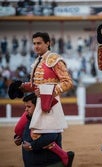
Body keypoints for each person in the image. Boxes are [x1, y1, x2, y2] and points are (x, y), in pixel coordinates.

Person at [9, 32, 74, 167]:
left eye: (39, 43)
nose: (36, 46)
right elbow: (35, 86)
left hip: (49, 104)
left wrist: (47, 93)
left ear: (48, 43)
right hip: (36, 104)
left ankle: (63, 156)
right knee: (19, 128)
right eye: (34, 43)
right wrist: (21, 87)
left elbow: (67, 82)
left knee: (39, 136)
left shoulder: (54, 59)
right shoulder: (38, 61)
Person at [14, 93, 71, 167]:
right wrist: (18, 138)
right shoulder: (29, 118)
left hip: (48, 163)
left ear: (38, 107)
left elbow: (50, 137)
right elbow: (27, 133)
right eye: (25, 107)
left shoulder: (49, 118)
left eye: (29, 106)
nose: (26, 110)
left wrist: (32, 146)